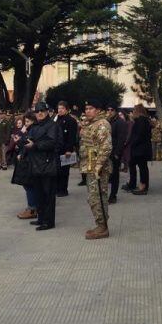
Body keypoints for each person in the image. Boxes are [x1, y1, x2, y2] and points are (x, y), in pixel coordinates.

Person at [24, 102, 62, 231]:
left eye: (42, 110)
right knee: (38, 194)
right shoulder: (35, 126)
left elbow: (53, 142)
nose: (40, 113)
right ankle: (41, 218)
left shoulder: (52, 125)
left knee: (48, 195)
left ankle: (49, 221)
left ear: (47, 111)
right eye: (37, 111)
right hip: (35, 164)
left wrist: (35, 145)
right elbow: (29, 139)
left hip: (48, 163)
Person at [79, 99, 112, 240]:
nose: (87, 111)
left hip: (98, 168)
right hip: (90, 165)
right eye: (86, 108)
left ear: (98, 110)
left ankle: (102, 227)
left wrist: (98, 166)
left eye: (91, 108)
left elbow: (106, 147)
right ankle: (100, 224)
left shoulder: (102, 124)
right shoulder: (91, 124)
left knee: (98, 196)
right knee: (93, 197)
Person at [11, 113, 37, 220]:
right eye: (25, 122)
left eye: (27, 122)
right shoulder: (28, 130)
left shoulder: (34, 130)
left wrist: (21, 145)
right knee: (27, 185)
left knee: (29, 185)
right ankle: (32, 207)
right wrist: (19, 141)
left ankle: (32, 208)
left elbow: (30, 144)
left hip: (30, 162)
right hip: (26, 161)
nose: (25, 124)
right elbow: (24, 143)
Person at [54, 101, 78, 197]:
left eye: (62, 108)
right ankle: (57, 188)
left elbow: (72, 137)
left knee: (64, 171)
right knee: (57, 170)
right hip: (57, 149)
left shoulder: (71, 120)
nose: (60, 110)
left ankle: (63, 190)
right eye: (59, 108)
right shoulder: (56, 119)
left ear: (67, 110)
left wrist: (69, 149)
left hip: (65, 149)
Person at [106, 104, 129, 204]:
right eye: (108, 110)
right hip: (107, 151)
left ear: (115, 111)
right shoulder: (108, 121)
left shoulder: (120, 122)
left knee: (115, 174)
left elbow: (121, 139)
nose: (109, 111)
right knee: (108, 175)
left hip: (115, 152)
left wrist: (117, 153)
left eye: (112, 109)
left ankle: (113, 195)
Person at [129, 104, 152, 196]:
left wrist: (133, 143)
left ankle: (143, 186)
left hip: (140, 148)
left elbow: (139, 135)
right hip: (142, 148)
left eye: (134, 110)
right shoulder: (143, 120)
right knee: (142, 167)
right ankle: (143, 185)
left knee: (142, 168)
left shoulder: (141, 120)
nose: (133, 112)